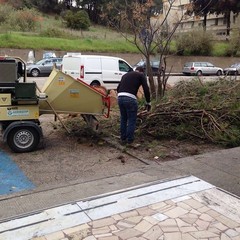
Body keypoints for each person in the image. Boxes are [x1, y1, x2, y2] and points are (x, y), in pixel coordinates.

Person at [117, 66, 151, 145]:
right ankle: (129, 140)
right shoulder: (141, 75)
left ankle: (123, 139)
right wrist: (148, 102)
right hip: (130, 99)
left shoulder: (125, 75)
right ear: (142, 71)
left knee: (123, 118)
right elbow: (146, 88)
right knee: (132, 119)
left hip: (120, 97)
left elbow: (118, 88)